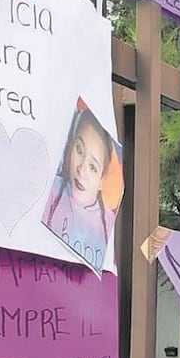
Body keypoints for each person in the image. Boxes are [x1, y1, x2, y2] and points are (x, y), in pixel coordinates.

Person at [43, 108, 116, 271]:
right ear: (70, 147)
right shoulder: (50, 192)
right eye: (80, 150)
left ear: (102, 181)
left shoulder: (109, 222)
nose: (82, 170)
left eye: (93, 167)